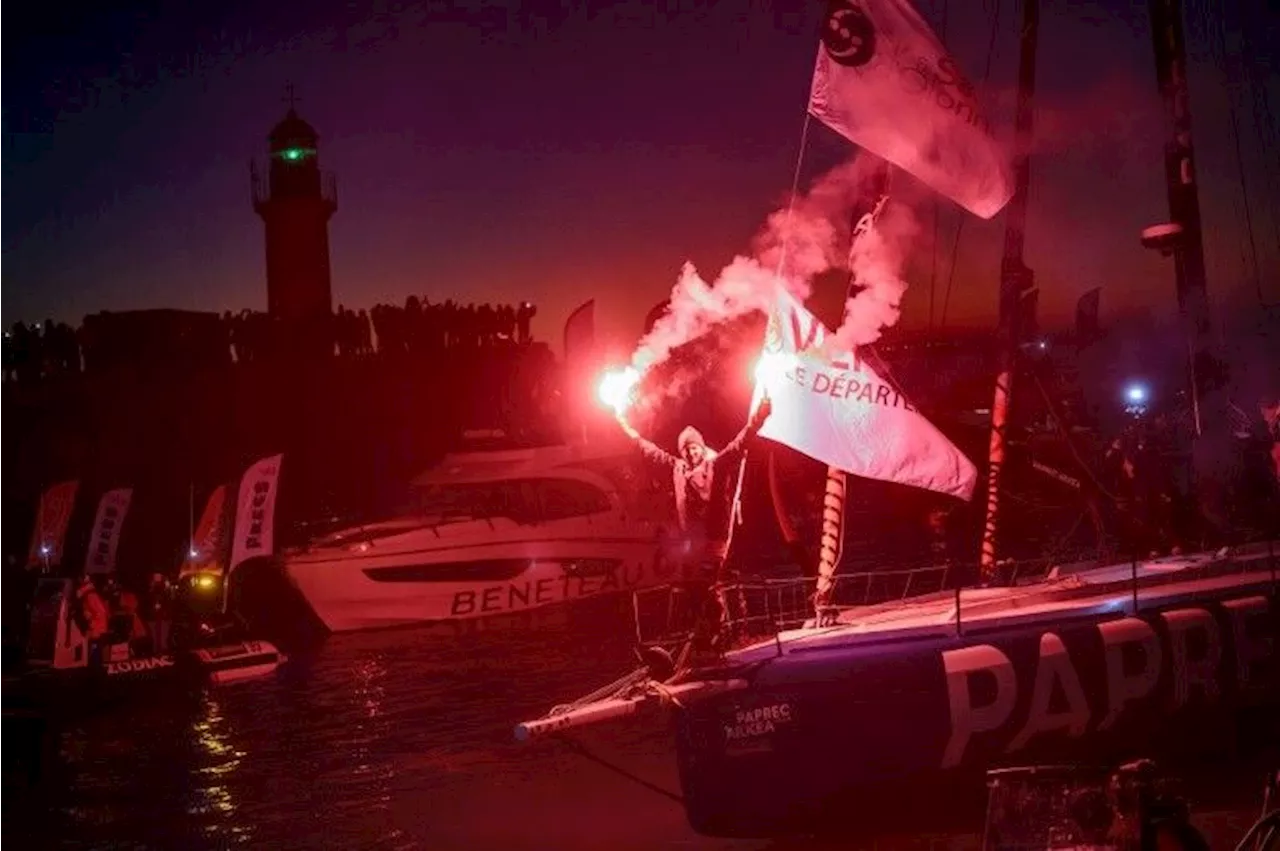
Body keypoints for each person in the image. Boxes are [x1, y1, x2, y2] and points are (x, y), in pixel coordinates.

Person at [617, 396, 772, 579]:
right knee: (695, 590)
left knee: (716, 586)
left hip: (715, 541)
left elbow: (740, 443)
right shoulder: (678, 467)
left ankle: (727, 605)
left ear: (702, 447)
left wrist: (758, 417)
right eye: (687, 450)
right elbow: (651, 452)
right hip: (691, 540)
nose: (691, 453)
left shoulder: (716, 466)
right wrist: (628, 431)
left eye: (694, 448)